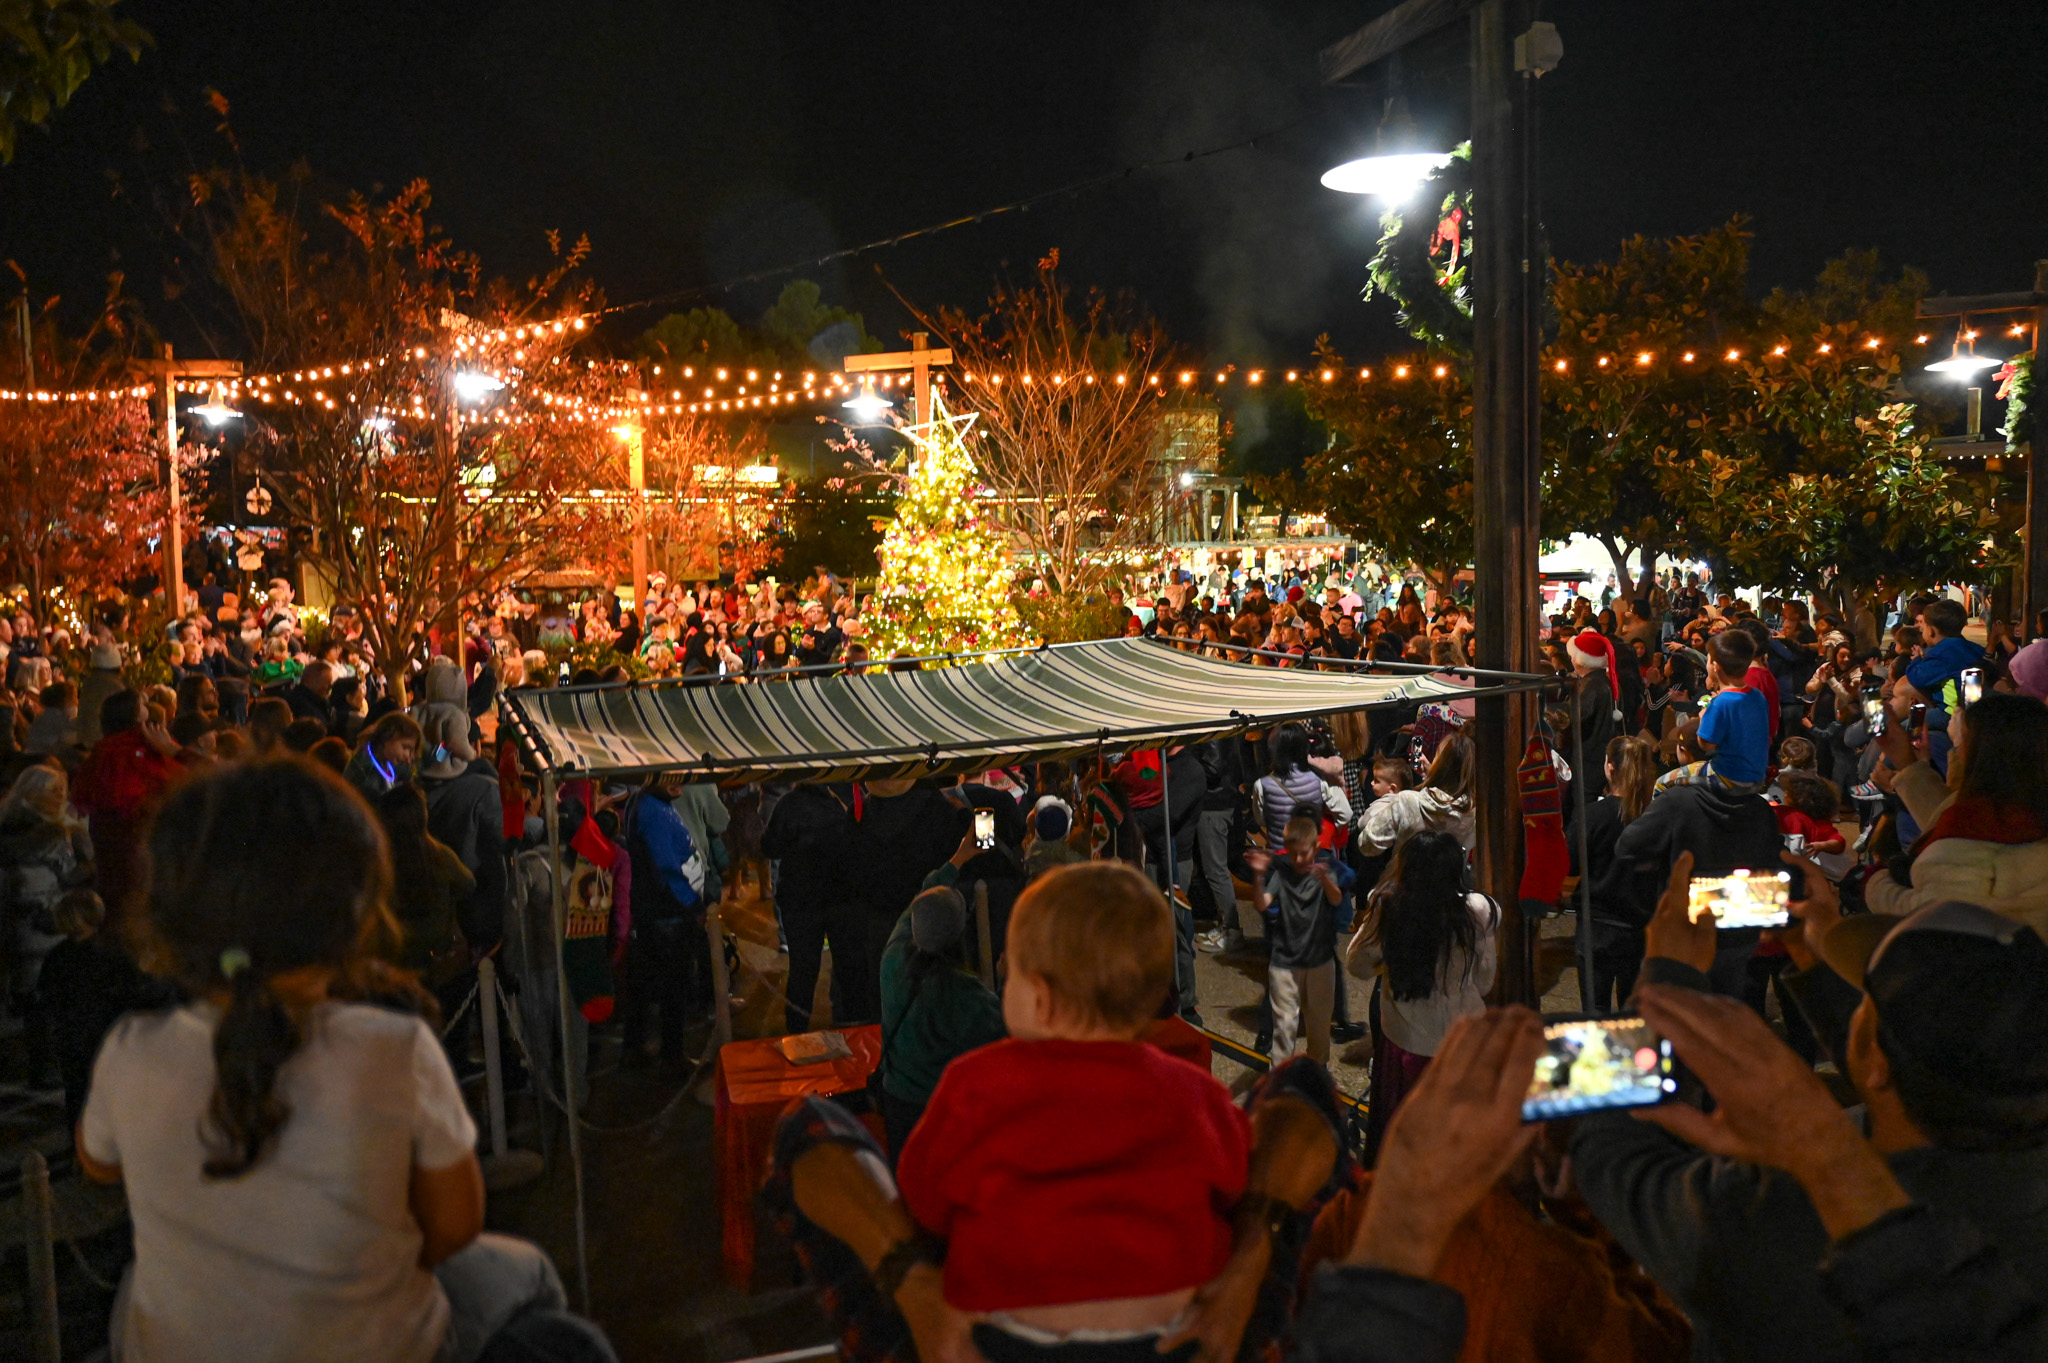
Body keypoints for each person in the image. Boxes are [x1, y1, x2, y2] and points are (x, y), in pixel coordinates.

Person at [77, 758, 584, 1363]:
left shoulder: (131, 1050)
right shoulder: (391, 1047)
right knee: (533, 1285)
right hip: (377, 1343)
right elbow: (455, 1223)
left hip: (181, 1344)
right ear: (353, 904)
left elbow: (97, 1162)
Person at [1568, 851, 2048, 1362]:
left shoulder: (1781, 1208)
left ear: (1877, 1055)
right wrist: (1816, 959)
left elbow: (1614, 1163)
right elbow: (1908, 1072)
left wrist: (1666, 979)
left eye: (1866, 998)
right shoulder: (2016, 1175)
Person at [893, 862, 1251, 1358]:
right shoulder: (1195, 1094)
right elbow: (1236, 1179)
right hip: (1169, 1333)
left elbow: (923, 1196)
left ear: (1039, 999)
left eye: (1011, 972)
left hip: (1011, 1336)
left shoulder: (975, 1084)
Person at [1346, 830, 1499, 1160]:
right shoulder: (1478, 912)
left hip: (1407, 1043)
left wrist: (1388, 956)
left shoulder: (1391, 908)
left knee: (1403, 1137)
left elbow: (1357, 964)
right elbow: (1485, 982)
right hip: (1462, 1041)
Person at [1866, 693, 2048, 934]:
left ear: (1980, 751)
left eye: (1963, 738)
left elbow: (1931, 912)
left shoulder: (1972, 847)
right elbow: (1945, 816)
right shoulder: (2023, 810)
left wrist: (1875, 881)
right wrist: (1907, 762)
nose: (1957, 744)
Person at [877, 886, 1006, 1154]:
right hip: (939, 1106)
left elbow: (914, 907)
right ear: (959, 934)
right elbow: (1004, 1030)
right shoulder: (963, 992)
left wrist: (951, 866)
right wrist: (1007, 979)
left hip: (896, 1100)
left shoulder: (893, 957)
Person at [617, 771, 708, 1069]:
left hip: (657, 913)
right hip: (667, 916)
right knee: (672, 990)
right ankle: (672, 1058)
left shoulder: (651, 804)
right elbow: (666, 868)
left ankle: (638, 1051)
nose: (677, 779)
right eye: (668, 774)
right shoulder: (653, 810)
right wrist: (693, 905)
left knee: (645, 988)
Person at [761, 781, 865, 1030]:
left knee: (802, 971)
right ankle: (854, 1027)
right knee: (848, 967)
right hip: (842, 898)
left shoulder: (789, 804)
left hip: (800, 902)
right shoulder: (847, 798)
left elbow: (770, 847)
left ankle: (797, 1031)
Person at [70, 689, 181, 923]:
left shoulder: (107, 748)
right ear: (133, 714)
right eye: (142, 704)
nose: (148, 706)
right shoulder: (132, 748)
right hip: (138, 838)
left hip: (111, 838)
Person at [1573, 735, 1665, 1010]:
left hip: (1597, 926)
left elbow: (1571, 863)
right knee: (1633, 1015)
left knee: (1595, 1014)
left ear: (1610, 767)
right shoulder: (1657, 816)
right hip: (1640, 928)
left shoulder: (1593, 815)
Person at [1247, 815, 1346, 1065]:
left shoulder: (1324, 871)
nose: (1299, 860)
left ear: (1316, 847)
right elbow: (1262, 903)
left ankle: (1316, 1073)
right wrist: (1258, 876)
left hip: (1320, 960)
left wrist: (1325, 880)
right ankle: (1281, 1077)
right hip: (1285, 961)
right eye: (1293, 854)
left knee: (1319, 1026)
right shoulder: (1282, 874)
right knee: (1284, 1027)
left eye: (1304, 853)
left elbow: (1336, 899)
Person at [1655, 629, 1769, 793]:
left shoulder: (1720, 703)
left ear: (1715, 667)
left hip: (1727, 777)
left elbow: (1706, 744)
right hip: (1757, 775)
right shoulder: (1757, 696)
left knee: (1661, 783)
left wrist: (1704, 716)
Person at [1354, 731, 1475, 859]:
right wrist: (1431, 776)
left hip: (1406, 871)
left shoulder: (1407, 801)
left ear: (1439, 765)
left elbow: (1367, 844)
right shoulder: (1473, 815)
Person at [1567, 630, 1619, 797]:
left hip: (1589, 758)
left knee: (1583, 801)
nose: (1571, 659)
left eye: (1573, 656)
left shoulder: (1592, 685)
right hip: (1598, 755)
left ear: (1581, 659)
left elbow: (1573, 717)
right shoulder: (1600, 681)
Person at [346, 711, 424, 803]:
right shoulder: (368, 772)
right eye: (405, 747)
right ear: (386, 737)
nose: (408, 756)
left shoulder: (385, 764)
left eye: (411, 752)